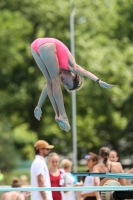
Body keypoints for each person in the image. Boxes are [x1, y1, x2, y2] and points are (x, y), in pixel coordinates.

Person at [31, 37, 114, 132]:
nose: (64, 82)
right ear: (73, 77)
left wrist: (38, 106)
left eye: (65, 84)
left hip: (34, 47)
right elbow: (84, 71)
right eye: (67, 83)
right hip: (48, 44)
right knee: (54, 81)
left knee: (50, 81)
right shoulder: (72, 67)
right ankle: (63, 115)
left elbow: (46, 88)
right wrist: (98, 81)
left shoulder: (57, 70)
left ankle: (58, 115)